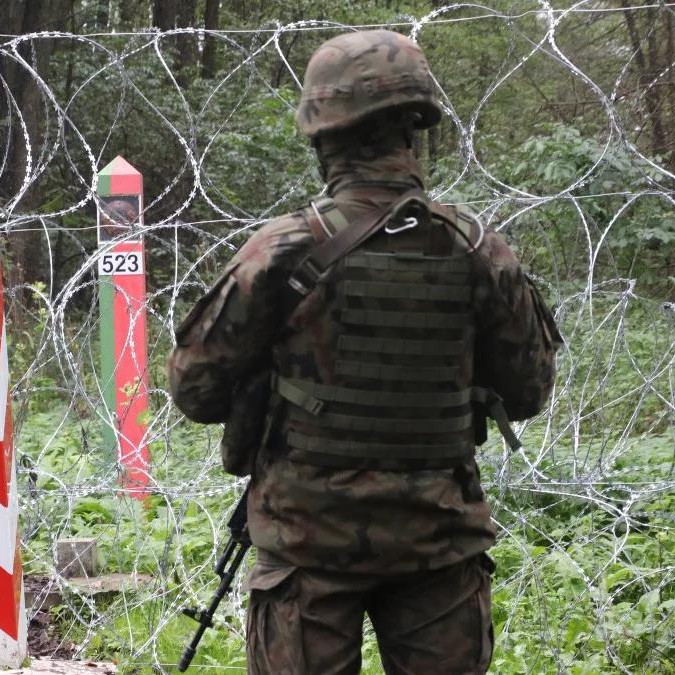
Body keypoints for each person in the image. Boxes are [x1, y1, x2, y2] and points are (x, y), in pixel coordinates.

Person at [167, 30, 562, 675]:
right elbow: (526, 393)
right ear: (415, 128)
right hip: (438, 543)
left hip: (306, 544)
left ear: (322, 134)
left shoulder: (282, 249)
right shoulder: (480, 250)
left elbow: (196, 392)